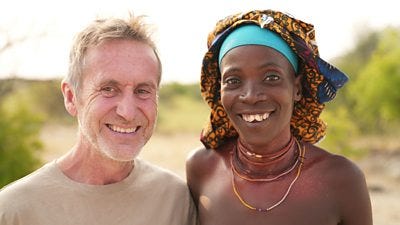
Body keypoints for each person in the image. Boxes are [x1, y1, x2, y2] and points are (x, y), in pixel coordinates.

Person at [0, 13, 197, 225]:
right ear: (71, 97)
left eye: (142, 91)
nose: (128, 112)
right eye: (109, 89)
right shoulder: (14, 210)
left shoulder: (176, 201)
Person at [186, 9, 372, 225]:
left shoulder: (341, 179)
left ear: (297, 88)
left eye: (271, 77)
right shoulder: (202, 168)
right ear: (219, 91)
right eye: (233, 81)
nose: (251, 96)